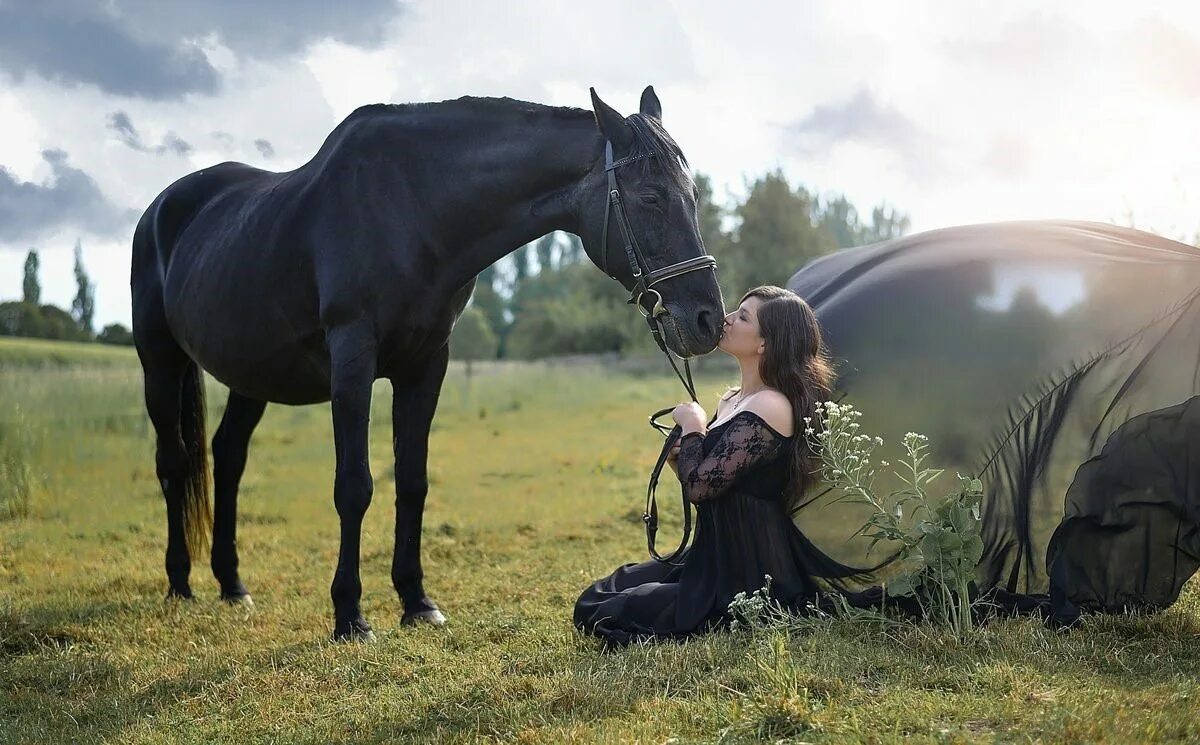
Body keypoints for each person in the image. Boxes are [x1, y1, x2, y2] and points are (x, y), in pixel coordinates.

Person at [573, 286, 870, 646]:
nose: (727, 319)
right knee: (604, 590)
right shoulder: (734, 398)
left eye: (743, 317)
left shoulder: (772, 406)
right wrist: (676, 455)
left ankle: (734, 612)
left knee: (600, 609)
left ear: (765, 343)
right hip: (709, 556)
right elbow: (708, 481)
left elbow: (700, 487)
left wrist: (695, 425)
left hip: (745, 572)